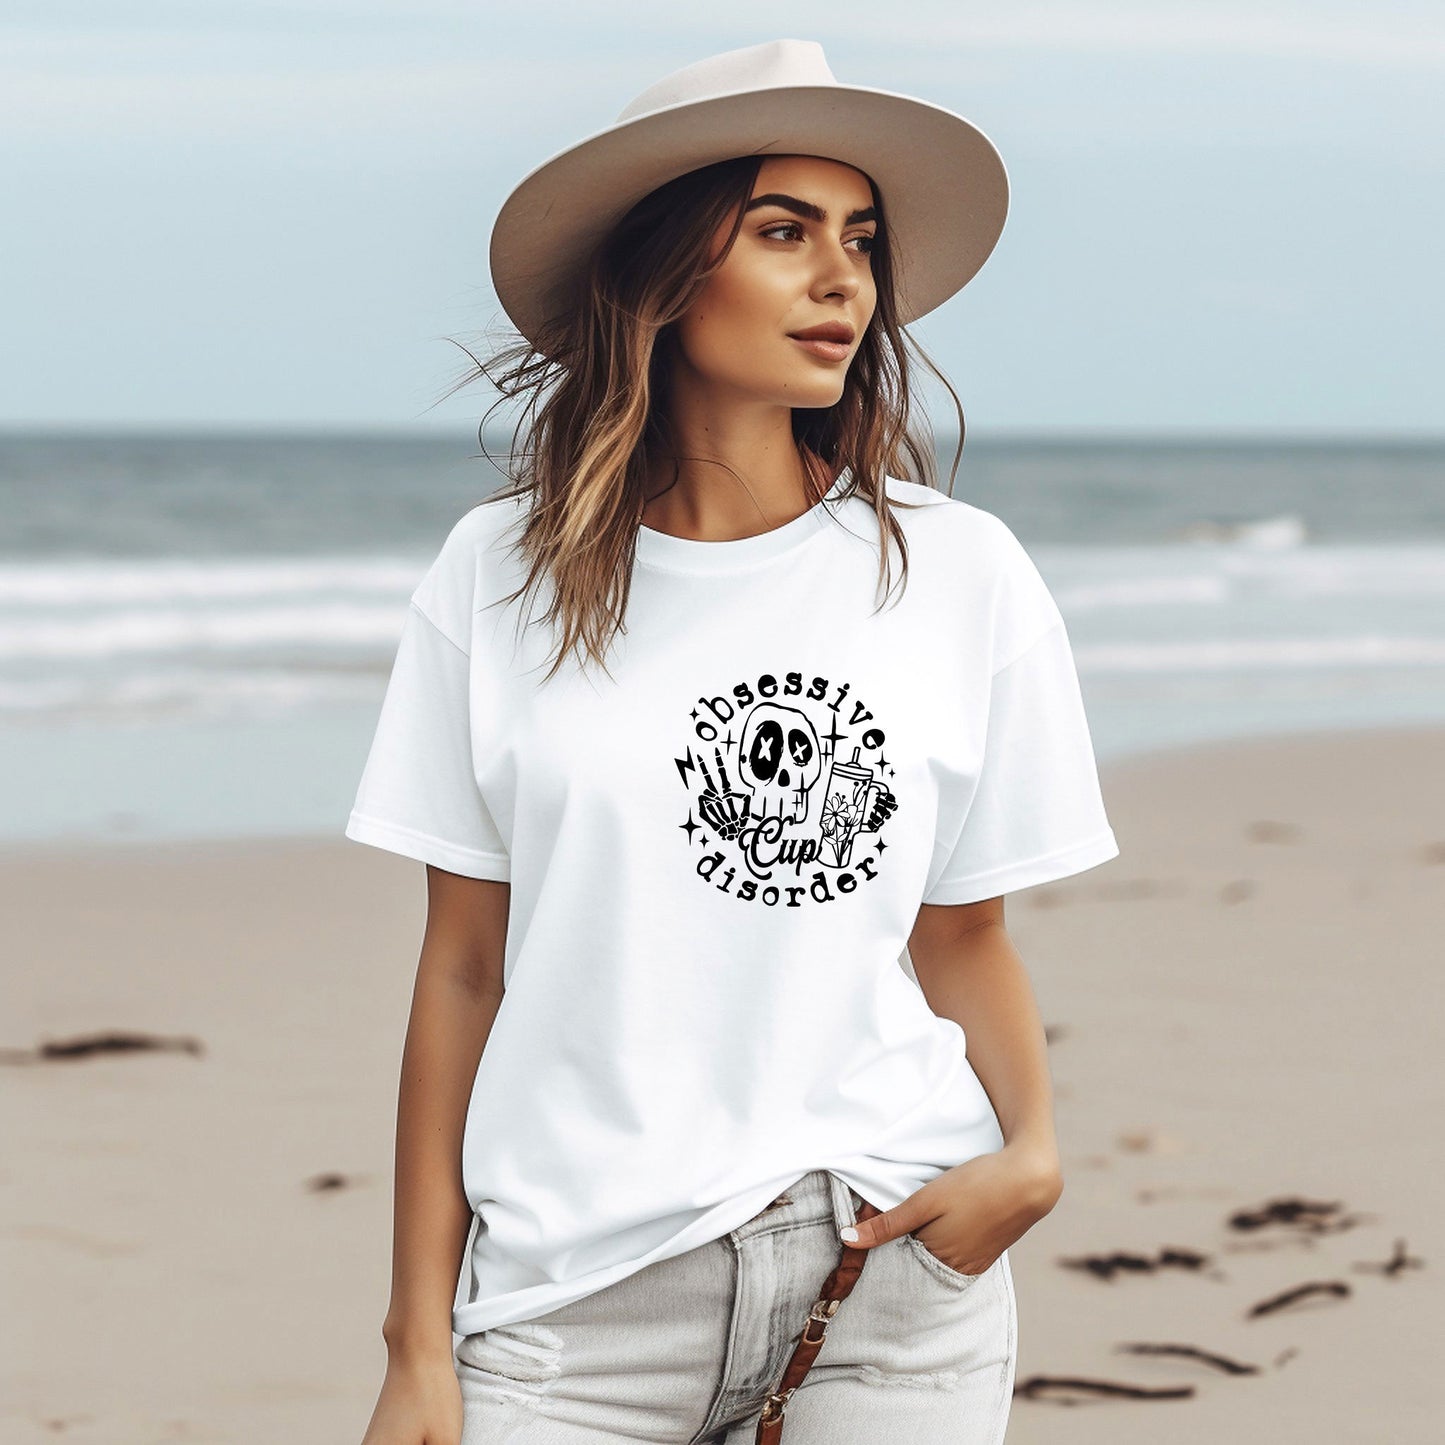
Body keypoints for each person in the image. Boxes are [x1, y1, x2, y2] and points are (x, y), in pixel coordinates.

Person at [346, 38, 1119, 1445]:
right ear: (662, 273)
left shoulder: (958, 573)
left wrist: (1033, 1154)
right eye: (781, 231)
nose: (841, 278)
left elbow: (963, 935)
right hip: (571, 1302)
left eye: (860, 240)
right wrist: (417, 1341)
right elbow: (461, 966)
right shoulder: (496, 576)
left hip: (885, 1272)